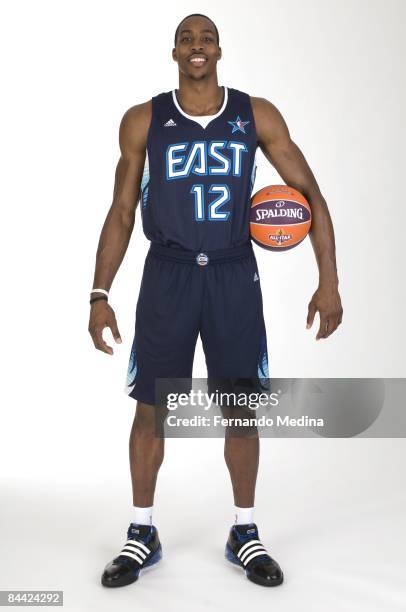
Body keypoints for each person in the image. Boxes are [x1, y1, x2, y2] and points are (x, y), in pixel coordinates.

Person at [88, 12, 343, 589]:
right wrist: (99, 293)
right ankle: (142, 531)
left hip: (232, 275)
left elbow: (311, 194)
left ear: (220, 51)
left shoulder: (256, 115)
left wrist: (328, 279)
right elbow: (122, 212)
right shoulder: (143, 120)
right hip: (168, 274)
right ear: (173, 53)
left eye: (205, 38)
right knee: (151, 409)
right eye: (186, 39)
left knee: (241, 410)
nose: (196, 46)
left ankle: (244, 532)